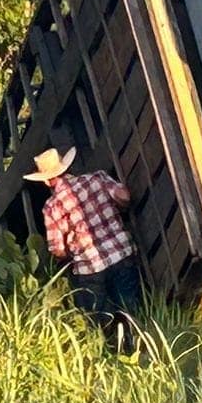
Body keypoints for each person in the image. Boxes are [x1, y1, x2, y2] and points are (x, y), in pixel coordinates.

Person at [28, 146, 142, 350]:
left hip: (89, 269)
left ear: (46, 180)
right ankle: (138, 349)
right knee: (130, 307)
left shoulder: (52, 207)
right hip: (121, 254)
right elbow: (124, 196)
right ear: (66, 167)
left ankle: (115, 354)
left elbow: (57, 249)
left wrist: (69, 253)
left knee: (100, 318)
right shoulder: (97, 178)